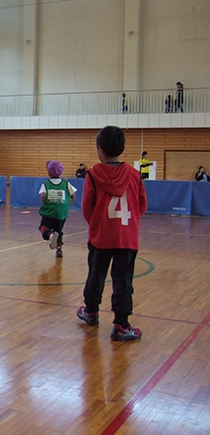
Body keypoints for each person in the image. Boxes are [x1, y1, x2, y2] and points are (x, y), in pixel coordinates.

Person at [77, 125, 148, 342]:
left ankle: (91, 312)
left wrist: (98, 224)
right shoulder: (135, 175)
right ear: (123, 148)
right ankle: (120, 325)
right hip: (127, 238)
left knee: (95, 274)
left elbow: (86, 207)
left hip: (101, 237)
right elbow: (142, 205)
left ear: (99, 149)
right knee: (123, 281)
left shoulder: (93, 174)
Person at [39, 160, 77, 258]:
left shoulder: (46, 183)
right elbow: (73, 194)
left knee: (43, 227)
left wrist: (44, 204)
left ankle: (49, 235)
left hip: (49, 212)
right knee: (58, 231)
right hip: (61, 213)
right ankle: (59, 248)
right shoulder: (65, 183)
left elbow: (43, 195)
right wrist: (71, 202)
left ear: (48, 172)